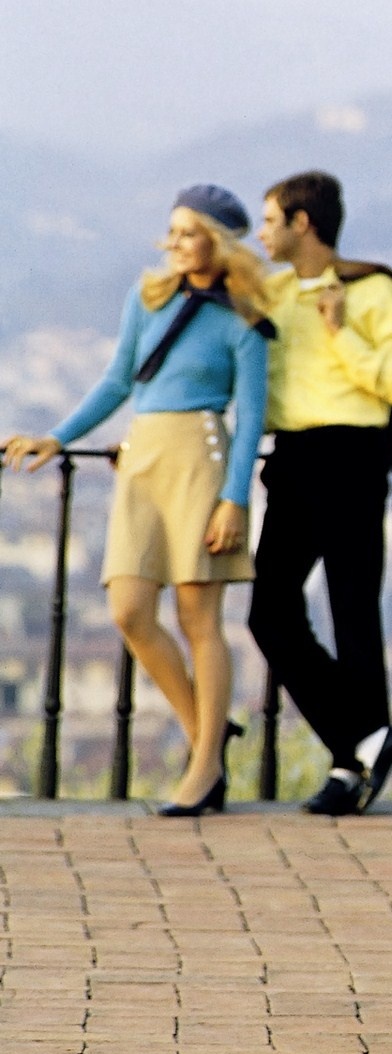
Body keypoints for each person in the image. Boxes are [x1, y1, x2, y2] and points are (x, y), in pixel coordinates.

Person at [3, 185, 270, 816]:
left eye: (188, 232)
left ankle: (204, 768)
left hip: (200, 460)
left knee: (198, 618)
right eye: (172, 231)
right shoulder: (146, 299)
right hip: (143, 457)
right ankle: (205, 732)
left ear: (219, 243)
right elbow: (119, 379)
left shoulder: (245, 321)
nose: (174, 242)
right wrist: (58, 436)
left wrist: (234, 501)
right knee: (128, 609)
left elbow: (252, 420)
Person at [249, 171, 392, 816]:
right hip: (291, 459)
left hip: (350, 455)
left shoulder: (373, 290)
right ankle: (366, 737)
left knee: (352, 609)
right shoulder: (271, 293)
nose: (262, 233)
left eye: (270, 220)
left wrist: (340, 329)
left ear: (302, 223)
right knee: (270, 611)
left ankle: (352, 763)